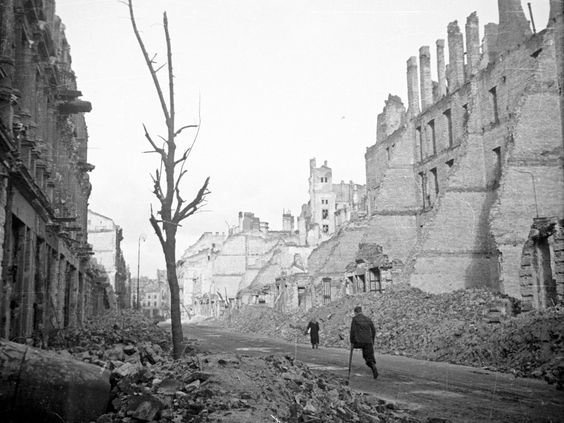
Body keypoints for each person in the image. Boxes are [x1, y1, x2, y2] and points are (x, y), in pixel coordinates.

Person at [349, 305, 378, 379]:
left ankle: (349, 370)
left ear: (355, 312)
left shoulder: (355, 319)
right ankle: (373, 366)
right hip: (368, 341)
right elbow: (373, 330)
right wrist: (372, 341)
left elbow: (353, 331)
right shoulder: (368, 319)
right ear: (361, 311)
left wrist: (352, 342)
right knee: (369, 358)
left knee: (363, 354)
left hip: (358, 341)